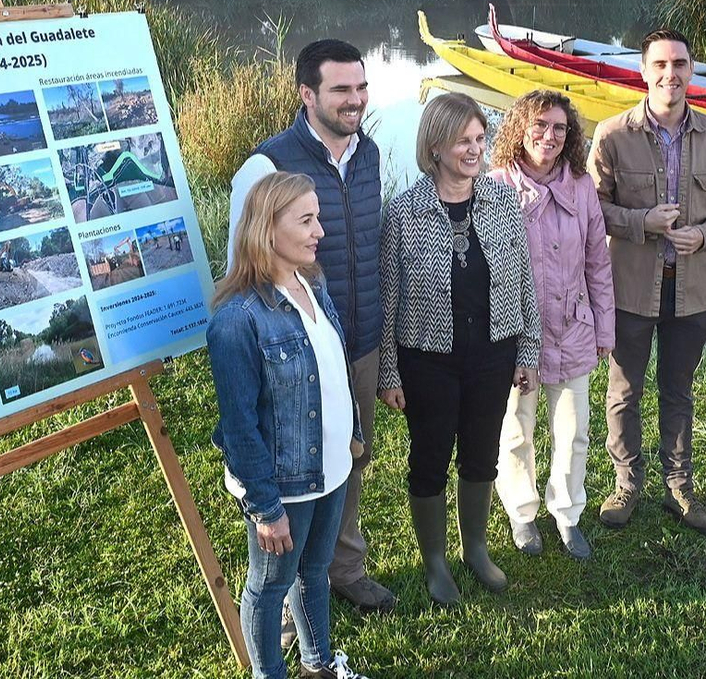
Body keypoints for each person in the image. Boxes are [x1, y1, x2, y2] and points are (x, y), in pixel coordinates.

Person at [228, 39, 394, 613]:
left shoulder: (369, 154)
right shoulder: (267, 165)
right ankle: (280, 594)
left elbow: (371, 246)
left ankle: (341, 569)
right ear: (307, 94)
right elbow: (243, 268)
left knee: (347, 459)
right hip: (290, 350)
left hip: (358, 340)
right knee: (290, 469)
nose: (356, 100)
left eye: (362, 87)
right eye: (341, 89)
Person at [207, 172, 372, 679]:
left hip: (331, 470)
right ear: (267, 229)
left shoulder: (311, 283)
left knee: (315, 571)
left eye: (317, 217)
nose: (320, 230)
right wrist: (266, 508)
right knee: (270, 585)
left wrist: (352, 436)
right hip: (283, 485)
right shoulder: (237, 319)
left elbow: (333, 368)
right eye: (306, 220)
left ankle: (318, 665)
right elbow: (239, 428)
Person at [378, 92, 541, 605]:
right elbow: (388, 298)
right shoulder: (403, 212)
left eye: (479, 138)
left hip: (493, 353)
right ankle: (434, 561)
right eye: (462, 140)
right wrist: (388, 371)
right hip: (427, 359)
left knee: (481, 453)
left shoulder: (502, 201)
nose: (474, 150)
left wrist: (528, 351)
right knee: (429, 458)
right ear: (435, 146)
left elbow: (524, 280)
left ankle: (476, 549)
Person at [589, 28, 706, 534]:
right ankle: (626, 484)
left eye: (679, 64)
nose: (669, 74)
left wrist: (704, 234)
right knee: (624, 392)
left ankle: (680, 487)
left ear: (691, 69)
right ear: (643, 70)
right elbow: (593, 209)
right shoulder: (611, 134)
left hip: (694, 290)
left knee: (679, 391)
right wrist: (641, 222)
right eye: (659, 64)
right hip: (630, 288)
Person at [487, 90, 614, 560]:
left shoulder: (581, 185)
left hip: (573, 328)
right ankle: (522, 513)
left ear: (570, 135)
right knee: (516, 429)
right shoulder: (495, 185)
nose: (549, 135)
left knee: (574, 430)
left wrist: (605, 328)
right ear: (520, 128)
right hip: (515, 336)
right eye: (539, 125)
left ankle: (567, 514)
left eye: (559, 127)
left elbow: (598, 261)